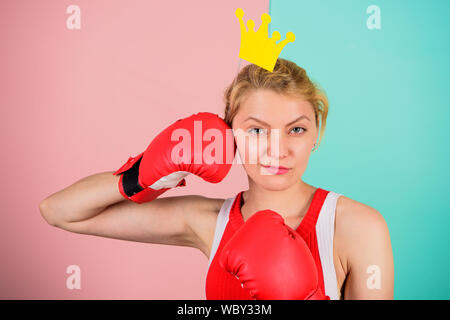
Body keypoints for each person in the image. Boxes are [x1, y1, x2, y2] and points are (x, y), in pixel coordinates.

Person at [39, 58, 394, 300]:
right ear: (229, 134)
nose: (278, 149)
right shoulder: (208, 222)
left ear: (316, 133)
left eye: (296, 129)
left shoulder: (356, 227)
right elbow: (59, 211)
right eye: (256, 130)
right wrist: (142, 174)